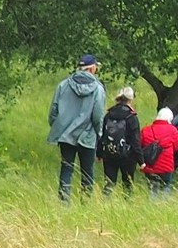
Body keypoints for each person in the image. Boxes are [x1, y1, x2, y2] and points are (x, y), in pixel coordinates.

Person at [47, 53, 106, 203]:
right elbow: (98, 115)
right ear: (92, 69)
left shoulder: (63, 85)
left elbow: (53, 111)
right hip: (87, 136)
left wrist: (58, 127)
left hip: (65, 135)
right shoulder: (98, 89)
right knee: (87, 172)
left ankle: (63, 202)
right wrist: (99, 133)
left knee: (66, 169)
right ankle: (85, 203)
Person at [98, 87, 142, 198]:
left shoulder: (108, 114)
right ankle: (127, 206)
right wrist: (141, 161)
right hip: (128, 156)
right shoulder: (131, 117)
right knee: (128, 184)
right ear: (130, 100)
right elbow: (136, 141)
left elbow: (102, 135)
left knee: (109, 183)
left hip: (109, 153)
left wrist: (99, 153)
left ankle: (104, 204)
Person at [139, 106, 178, 196]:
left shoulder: (145, 130)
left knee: (152, 190)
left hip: (150, 167)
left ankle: (152, 207)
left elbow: (140, 147)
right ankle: (163, 208)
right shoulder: (173, 130)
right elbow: (177, 147)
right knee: (165, 189)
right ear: (169, 119)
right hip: (166, 168)